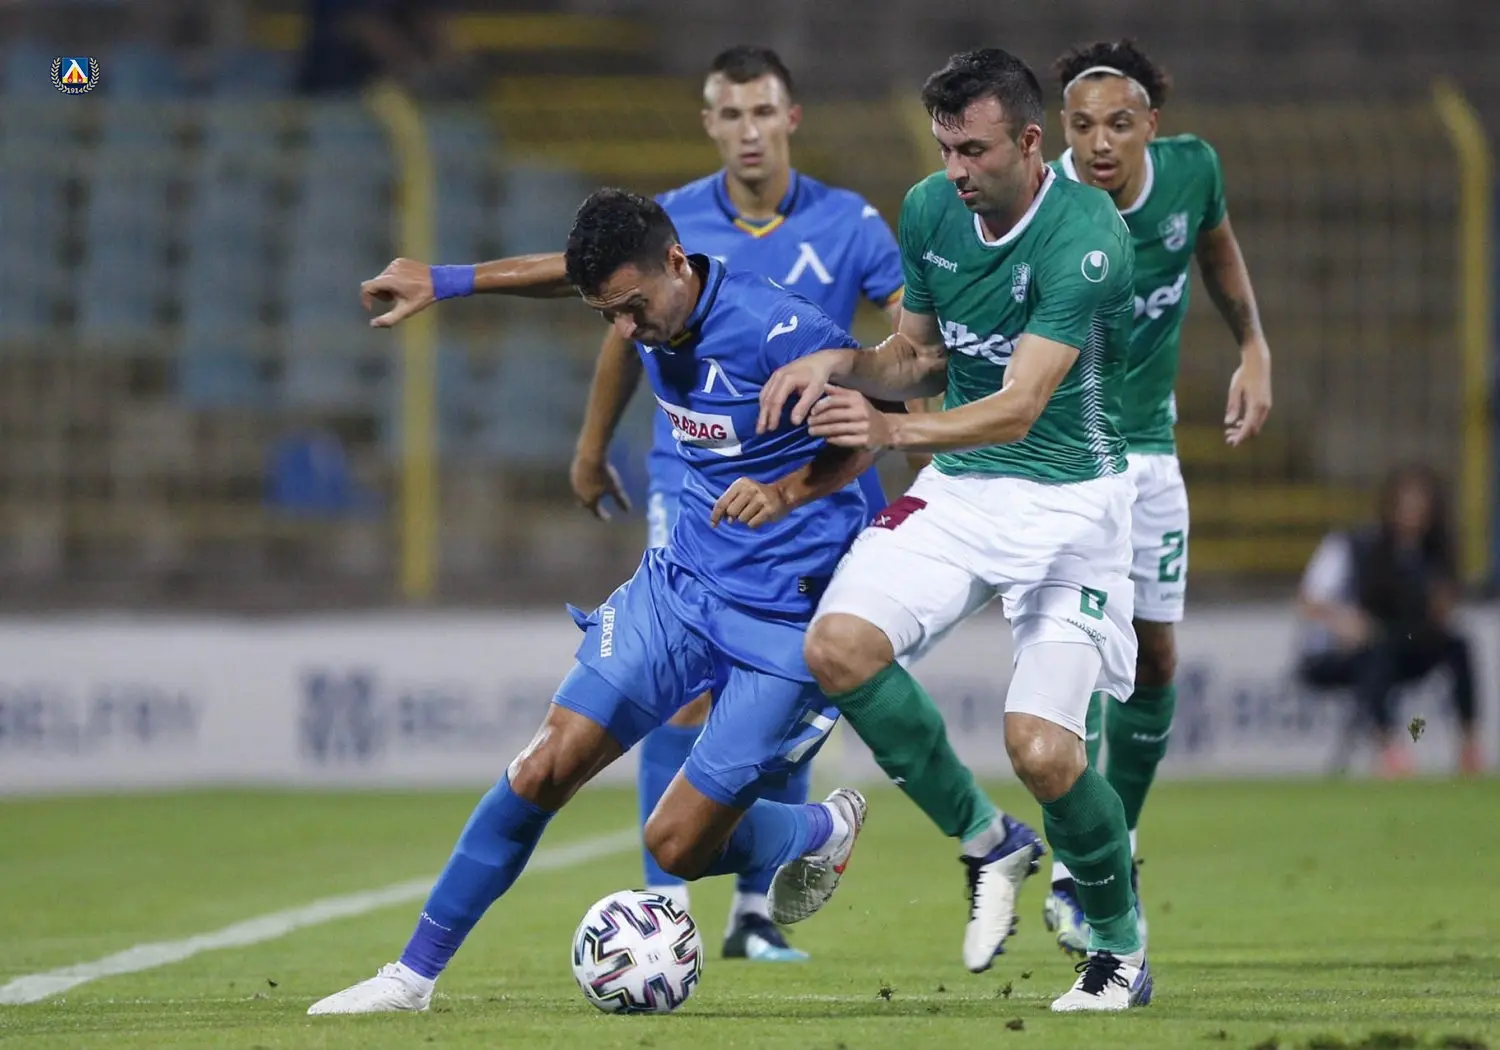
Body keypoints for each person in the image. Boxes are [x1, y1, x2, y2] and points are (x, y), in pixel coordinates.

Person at [307, 189, 875, 1015]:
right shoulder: (642, 300)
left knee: (675, 847)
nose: (625, 330)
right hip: (681, 587)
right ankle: (411, 978)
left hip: (790, 616)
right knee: (542, 767)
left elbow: (880, 421)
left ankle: (823, 828)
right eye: (607, 313)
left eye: (633, 307)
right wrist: (447, 281)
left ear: (676, 264)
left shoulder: (777, 328)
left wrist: (787, 490)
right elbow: (563, 275)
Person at [758, 48, 1149, 1012]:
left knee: (1045, 753)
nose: (956, 170)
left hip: (1073, 507)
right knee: (838, 647)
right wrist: (840, 365)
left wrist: (889, 431)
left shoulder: (1086, 236)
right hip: (965, 490)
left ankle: (1119, 948)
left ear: (1030, 141)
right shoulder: (929, 210)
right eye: (945, 149)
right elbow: (922, 359)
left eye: (974, 150)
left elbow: (1019, 404)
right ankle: (989, 842)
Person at [567, 45, 904, 962]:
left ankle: (755, 910)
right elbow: (617, 331)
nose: (748, 130)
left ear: (790, 118)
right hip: (695, 483)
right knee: (684, 693)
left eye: (763, 112)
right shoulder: (666, 222)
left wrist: (896, 412)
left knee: (781, 704)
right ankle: (664, 901)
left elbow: (911, 347)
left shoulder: (851, 223)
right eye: (731, 114)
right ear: (709, 124)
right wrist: (592, 448)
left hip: (812, 487)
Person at [1041, 38, 1274, 955]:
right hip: (1063, 458)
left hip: (1148, 451)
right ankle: (1074, 862)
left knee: (1155, 659)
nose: (1099, 142)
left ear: (1152, 126)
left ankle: (1117, 845)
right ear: (1061, 130)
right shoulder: (1042, 202)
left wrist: (1253, 347)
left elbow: (1216, 246)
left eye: (1119, 124)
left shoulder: (1192, 173)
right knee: (1078, 659)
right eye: (1081, 125)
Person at [1297, 464, 1482, 778]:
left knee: (1457, 646)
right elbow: (1309, 601)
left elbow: (1438, 607)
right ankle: (1389, 747)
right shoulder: (1354, 545)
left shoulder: (1430, 554)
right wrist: (1345, 620)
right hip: (1349, 651)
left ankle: (1468, 744)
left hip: (1401, 643)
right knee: (1376, 652)